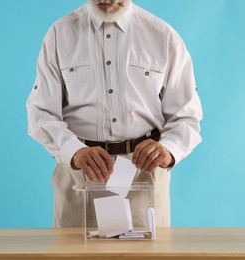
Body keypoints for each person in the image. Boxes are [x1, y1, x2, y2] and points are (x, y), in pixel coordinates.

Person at [26, 0, 202, 228]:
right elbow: (41, 111)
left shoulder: (163, 35)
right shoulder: (60, 34)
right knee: (72, 254)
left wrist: (168, 149)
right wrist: (73, 151)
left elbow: (187, 114)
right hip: (79, 172)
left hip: (144, 174)